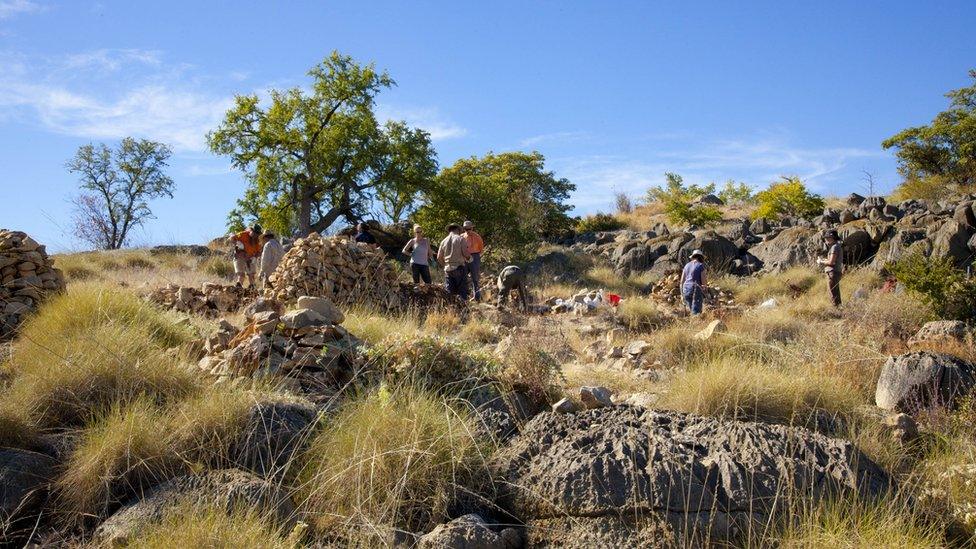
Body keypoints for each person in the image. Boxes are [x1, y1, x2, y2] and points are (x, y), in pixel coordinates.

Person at [437, 223, 471, 300]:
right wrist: (470, 258)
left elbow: (439, 257)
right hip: (459, 267)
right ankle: (463, 310)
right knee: (462, 291)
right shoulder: (460, 239)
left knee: (450, 293)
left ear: (449, 230)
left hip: (448, 269)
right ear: (458, 230)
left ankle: (451, 310)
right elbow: (466, 254)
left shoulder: (443, 241)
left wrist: (444, 265)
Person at [817, 230, 844, 307]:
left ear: (833, 238)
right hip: (835, 272)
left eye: (828, 237)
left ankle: (836, 311)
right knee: (835, 292)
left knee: (832, 293)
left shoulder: (834, 247)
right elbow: (832, 261)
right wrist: (824, 260)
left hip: (832, 272)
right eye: (826, 238)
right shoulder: (836, 246)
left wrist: (821, 262)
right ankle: (839, 309)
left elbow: (831, 262)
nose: (826, 239)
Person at [462, 220, 485, 301]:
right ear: (464, 229)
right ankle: (464, 296)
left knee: (475, 278)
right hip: (464, 258)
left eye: (469, 228)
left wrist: (475, 257)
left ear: (472, 228)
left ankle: (477, 297)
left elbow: (481, 249)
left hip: (475, 257)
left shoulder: (477, 236)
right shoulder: (461, 237)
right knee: (463, 277)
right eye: (466, 229)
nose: (468, 230)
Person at [681, 249, 707, 315]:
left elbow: (682, 281)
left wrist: (682, 293)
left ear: (693, 257)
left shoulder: (686, 266)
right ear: (701, 257)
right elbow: (703, 282)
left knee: (691, 308)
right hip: (695, 288)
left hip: (686, 288)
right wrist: (705, 289)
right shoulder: (700, 266)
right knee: (696, 311)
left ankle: (692, 323)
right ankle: (697, 323)